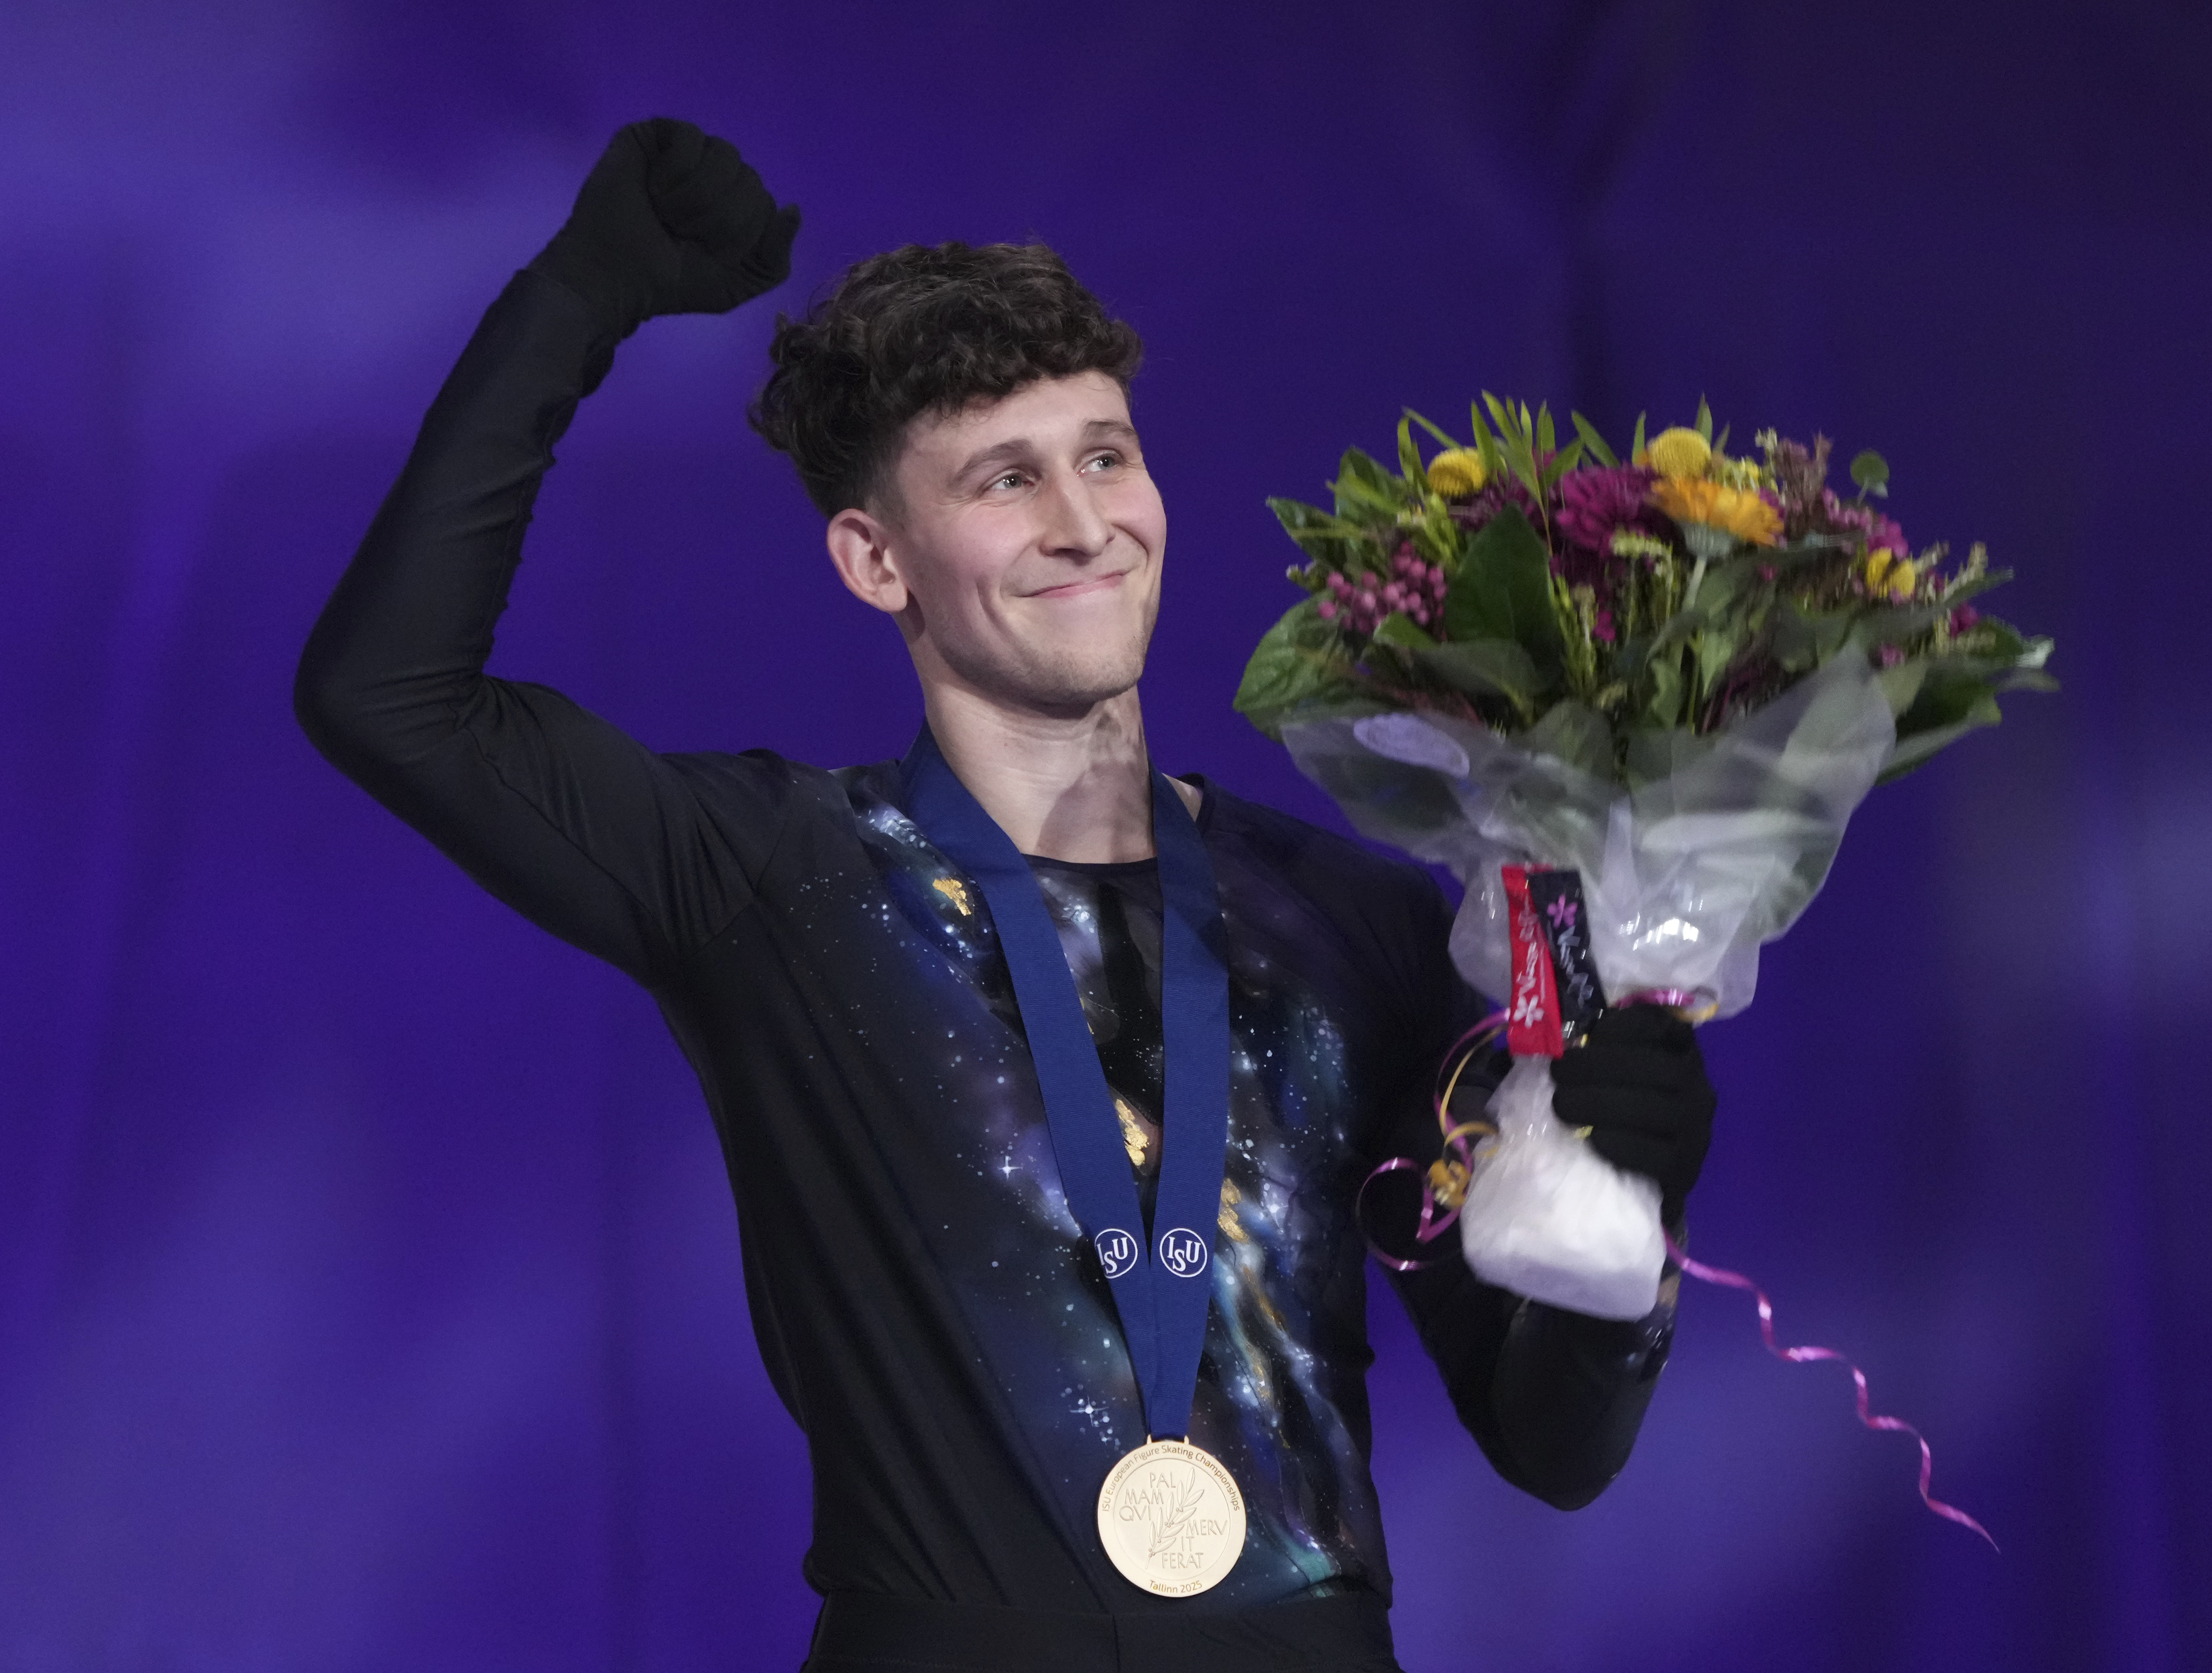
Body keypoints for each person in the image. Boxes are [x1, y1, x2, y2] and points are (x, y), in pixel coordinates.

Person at [296, 118, 1716, 1673]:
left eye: (1106, 453)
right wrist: (579, 297)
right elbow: (389, 694)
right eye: (1004, 477)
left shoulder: (1359, 925)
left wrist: (1622, 1222)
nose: (1082, 518)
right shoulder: (772, 871)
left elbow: (1549, 1445)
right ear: (873, 560)